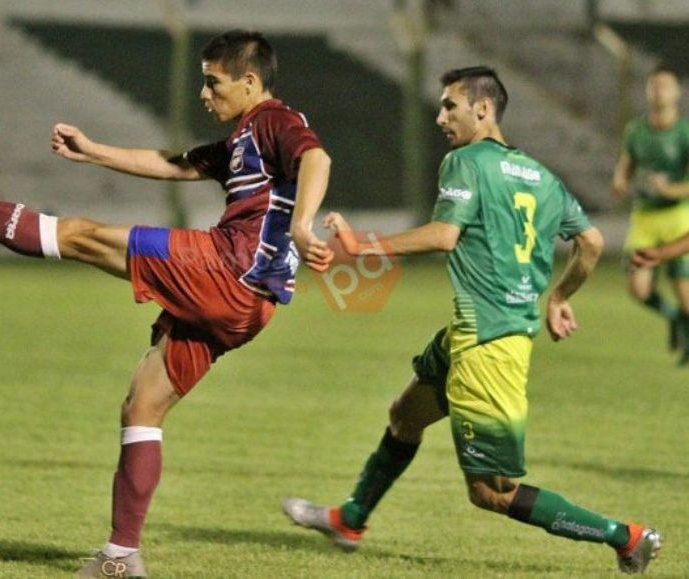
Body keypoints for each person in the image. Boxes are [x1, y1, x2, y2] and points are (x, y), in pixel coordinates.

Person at [0, 29, 333, 578]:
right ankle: (121, 557)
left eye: (213, 83)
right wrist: (94, 152)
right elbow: (176, 164)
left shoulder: (274, 120)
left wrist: (301, 224)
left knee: (81, 236)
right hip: (249, 305)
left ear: (249, 82)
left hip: (227, 269)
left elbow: (316, 158)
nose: (204, 94)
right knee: (143, 405)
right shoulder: (243, 138)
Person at [282, 66, 661, 574]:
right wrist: (559, 296)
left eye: (449, 105)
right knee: (404, 416)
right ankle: (351, 518)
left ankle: (626, 536)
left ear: (483, 109)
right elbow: (590, 241)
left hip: (491, 346)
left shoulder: (465, 161)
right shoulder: (542, 177)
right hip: (471, 331)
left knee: (492, 492)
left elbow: (443, 236)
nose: (440, 116)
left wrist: (359, 247)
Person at [612, 63, 689, 365]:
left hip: (678, 217)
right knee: (638, 288)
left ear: (678, 92)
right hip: (644, 216)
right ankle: (673, 318)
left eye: (665, 86)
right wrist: (620, 180)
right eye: (654, 85)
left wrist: (670, 190)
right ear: (647, 90)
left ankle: (686, 340)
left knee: (686, 296)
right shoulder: (636, 129)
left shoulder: (684, 132)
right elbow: (627, 162)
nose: (659, 91)